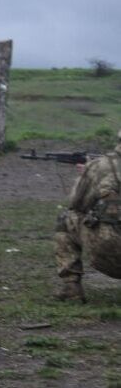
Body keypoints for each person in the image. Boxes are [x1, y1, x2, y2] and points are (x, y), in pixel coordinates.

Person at [53, 128, 121, 302]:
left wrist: (87, 174)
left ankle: (71, 287)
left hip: (111, 256)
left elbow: (76, 204)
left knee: (66, 220)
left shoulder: (102, 166)